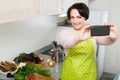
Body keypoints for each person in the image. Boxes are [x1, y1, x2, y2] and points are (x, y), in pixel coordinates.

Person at [59, 2, 118, 80]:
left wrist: (113, 37)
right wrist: (79, 38)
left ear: (85, 17)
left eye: (79, 17)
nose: (75, 21)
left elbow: (106, 41)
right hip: (70, 73)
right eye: (72, 17)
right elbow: (66, 43)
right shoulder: (65, 33)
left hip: (89, 74)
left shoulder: (91, 32)